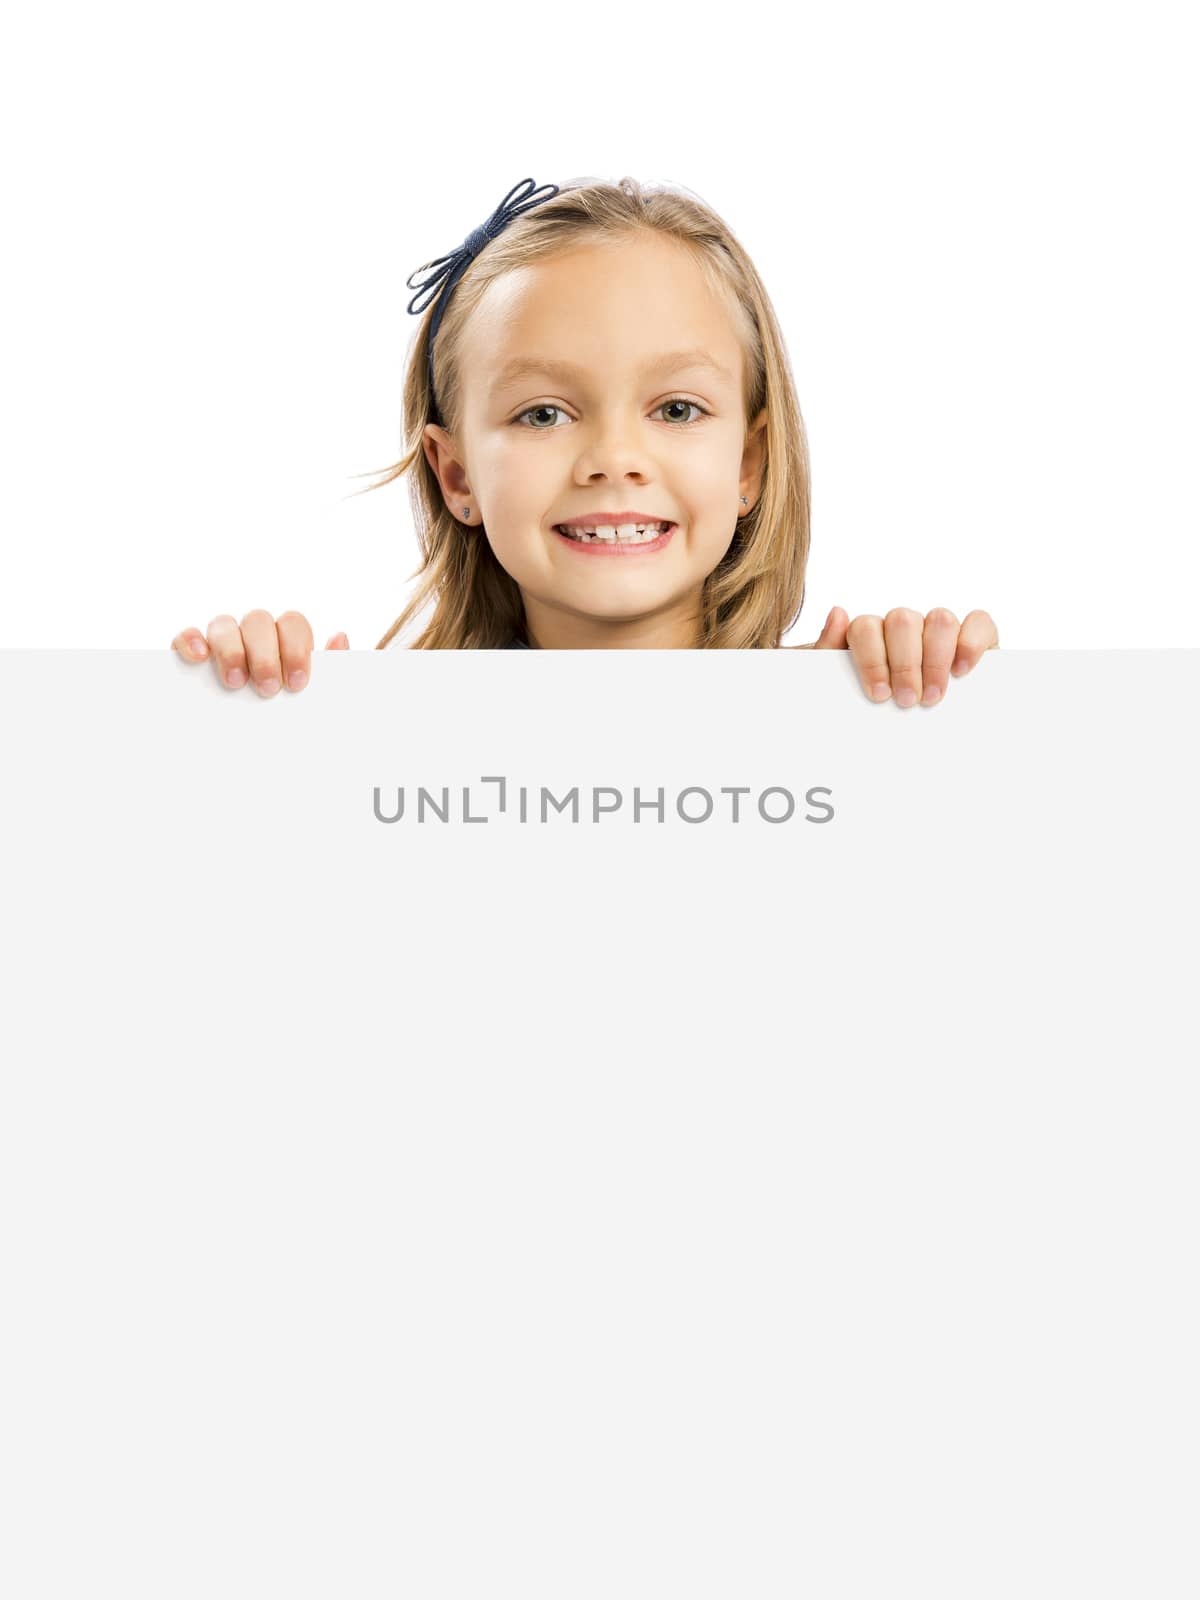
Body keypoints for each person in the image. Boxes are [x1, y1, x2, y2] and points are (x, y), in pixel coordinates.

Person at [171, 175, 998, 707]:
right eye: (543, 414)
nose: (614, 459)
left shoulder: (848, 702)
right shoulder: (372, 728)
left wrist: (925, 695)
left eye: (675, 409)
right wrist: (240, 716)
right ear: (455, 475)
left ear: (749, 463)